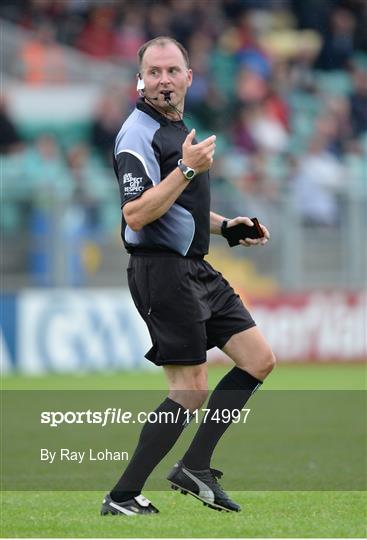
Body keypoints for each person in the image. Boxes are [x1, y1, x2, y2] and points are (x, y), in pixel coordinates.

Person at [101, 36, 275, 517]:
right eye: (153, 71)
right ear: (141, 79)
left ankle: (196, 465)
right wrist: (186, 169)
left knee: (259, 359)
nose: (163, 79)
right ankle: (121, 496)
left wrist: (226, 227)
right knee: (190, 389)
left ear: (189, 77)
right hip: (160, 271)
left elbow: (178, 203)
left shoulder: (178, 131)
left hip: (195, 267)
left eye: (172, 70)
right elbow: (136, 214)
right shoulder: (136, 133)